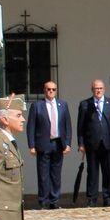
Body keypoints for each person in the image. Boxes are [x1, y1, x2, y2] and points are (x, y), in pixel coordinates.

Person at [76, 79, 110, 207]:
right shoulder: (85, 104)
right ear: (92, 90)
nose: (98, 90)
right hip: (92, 143)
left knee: (108, 171)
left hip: (108, 142)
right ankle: (92, 198)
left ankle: (108, 198)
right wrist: (81, 143)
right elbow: (80, 126)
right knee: (92, 172)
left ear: (104, 89)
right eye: (96, 88)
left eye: (100, 88)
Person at [26, 81, 70, 210]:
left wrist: (67, 143)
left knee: (56, 174)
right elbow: (31, 126)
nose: (51, 91)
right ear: (44, 90)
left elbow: (67, 125)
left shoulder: (63, 105)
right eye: (48, 89)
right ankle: (43, 201)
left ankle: (54, 200)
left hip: (58, 143)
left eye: (53, 89)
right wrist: (31, 145)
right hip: (43, 143)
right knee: (43, 174)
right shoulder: (37, 106)